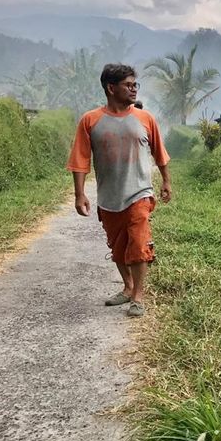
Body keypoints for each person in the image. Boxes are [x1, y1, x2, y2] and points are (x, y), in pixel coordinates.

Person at [66, 64, 171, 317]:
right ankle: (127, 287)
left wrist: (166, 181)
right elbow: (80, 160)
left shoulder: (145, 119)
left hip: (140, 193)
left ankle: (138, 296)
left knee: (138, 244)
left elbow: (159, 152)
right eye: (128, 85)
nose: (134, 89)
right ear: (110, 88)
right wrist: (80, 194)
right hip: (109, 197)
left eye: (136, 84)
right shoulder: (91, 120)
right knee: (118, 247)